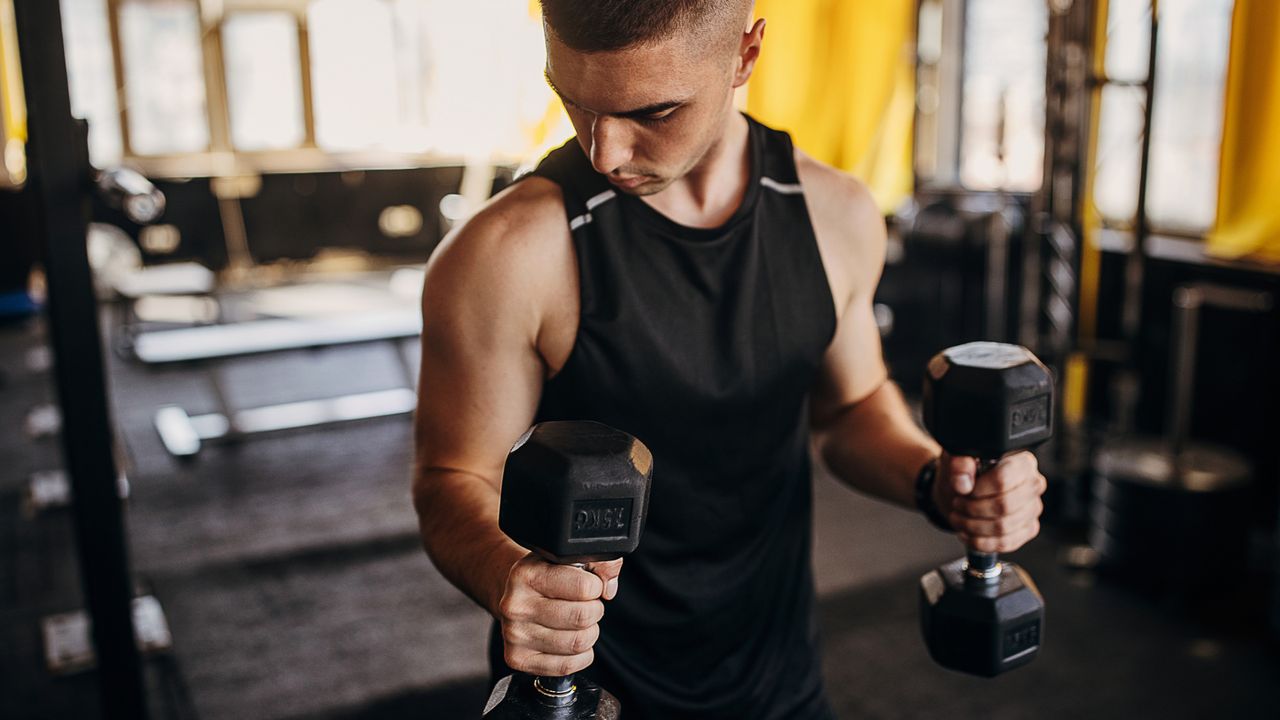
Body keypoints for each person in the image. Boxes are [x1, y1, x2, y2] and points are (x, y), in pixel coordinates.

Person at [412, 1, 1048, 718]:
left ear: (745, 56)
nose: (605, 152)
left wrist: (941, 482)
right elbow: (452, 475)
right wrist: (509, 581)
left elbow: (849, 410)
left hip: (781, 678)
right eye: (575, 104)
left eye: (653, 112)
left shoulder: (833, 215)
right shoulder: (506, 254)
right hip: (585, 693)